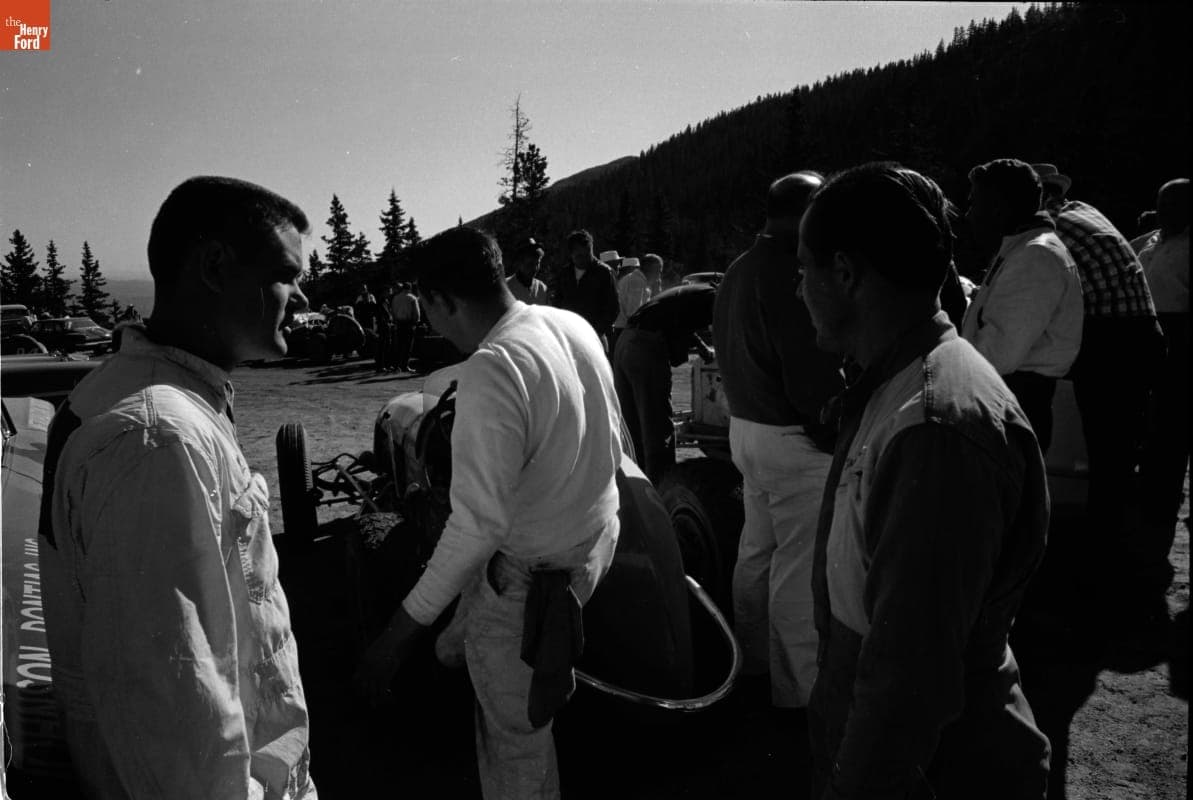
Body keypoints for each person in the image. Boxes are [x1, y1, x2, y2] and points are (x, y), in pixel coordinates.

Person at [38, 176, 318, 799]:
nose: (300, 297)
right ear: (216, 266)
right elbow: (181, 720)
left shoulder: (147, 401)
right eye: (286, 274)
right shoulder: (160, 437)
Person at [798, 163, 1050, 799]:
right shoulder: (896, 383)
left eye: (804, 271)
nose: (799, 291)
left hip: (942, 773)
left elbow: (907, 682)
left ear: (846, 273)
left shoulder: (936, 429)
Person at [354, 227, 622, 800]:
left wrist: (395, 636)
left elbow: (476, 528)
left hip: (533, 579)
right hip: (592, 543)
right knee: (471, 632)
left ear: (442, 300)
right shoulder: (570, 325)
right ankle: (456, 652)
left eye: (429, 310)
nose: (430, 325)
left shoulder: (490, 369)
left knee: (516, 742)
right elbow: (612, 440)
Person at [712, 171, 845, 717]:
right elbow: (808, 369)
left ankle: (751, 664)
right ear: (809, 208)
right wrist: (832, 429)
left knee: (757, 555)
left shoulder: (739, 268)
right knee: (797, 570)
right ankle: (797, 698)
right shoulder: (789, 265)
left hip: (748, 430)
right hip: (791, 437)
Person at [1034, 163, 1165, 575]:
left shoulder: (1051, 227)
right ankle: (1116, 538)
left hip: (1112, 341)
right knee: (1120, 449)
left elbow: (1049, 294)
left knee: (1106, 445)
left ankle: (1103, 552)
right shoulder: (1084, 211)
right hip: (1142, 333)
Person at [961, 159, 1084, 451]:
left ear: (999, 208)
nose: (968, 214)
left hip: (1014, 403)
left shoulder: (1036, 257)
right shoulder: (1023, 248)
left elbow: (996, 356)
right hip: (1009, 397)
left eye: (974, 203)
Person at [1136, 178, 1190, 590]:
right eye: (1161, 203)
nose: (1164, 210)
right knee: (1159, 451)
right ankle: (1153, 546)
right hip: (1154, 349)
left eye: (1173, 204)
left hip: (1182, 350)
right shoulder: (1152, 242)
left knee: (1170, 447)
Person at [612, 282, 714, 484]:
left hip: (625, 342)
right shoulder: (713, 296)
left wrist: (702, 349)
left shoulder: (688, 295)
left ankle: (635, 487)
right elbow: (719, 327)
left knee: (633, 426)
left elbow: (682, 321)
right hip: (644, 344)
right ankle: (662, 489)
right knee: (656, 425)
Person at [553, 230, 619, 350]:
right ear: (571, 255)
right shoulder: (564, 274)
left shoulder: (604, 273)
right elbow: (557, 304)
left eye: (588, 254)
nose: (584, 259)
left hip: (595, 340)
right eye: (579, 256)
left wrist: (596, 332)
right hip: (569, 339)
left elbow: (613, 308)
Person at [610, 254, 660, 355]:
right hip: (627, 331)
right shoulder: (636, 281)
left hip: (624, 330)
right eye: (659, 270)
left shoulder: (637, 279)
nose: (659, 274)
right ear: (651, 269)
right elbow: (633, 312)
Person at [506, 237, 550, 305]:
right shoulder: (506, 287)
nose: (535, 268)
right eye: (530, 264)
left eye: (537, 263)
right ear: (520, 262)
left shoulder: (542, 289)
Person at [389, 281, 421, 372]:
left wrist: (395, 321)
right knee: (407, 346)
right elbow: (416, 313)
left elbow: (393, 311)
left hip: (399, 323)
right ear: (410, 288)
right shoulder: (412, 298)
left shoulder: (395, 298)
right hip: (409, 323)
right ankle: (405, 365)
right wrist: (416, 322)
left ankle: (396, 365)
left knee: (398, 345)